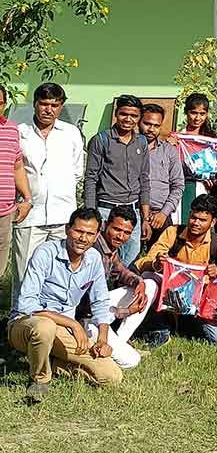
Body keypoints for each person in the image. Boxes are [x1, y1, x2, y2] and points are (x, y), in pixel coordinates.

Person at [9, 208, 122, 401]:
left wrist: (102, 340)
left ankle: (52, 363)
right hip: (27, 324)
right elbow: (27, 305)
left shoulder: (94, 258)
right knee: (45, 327)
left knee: (111, 376)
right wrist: (73, 324)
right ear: (67, 230)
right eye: (78, 231)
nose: (83, 238)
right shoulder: (46, 253)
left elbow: (101, 302)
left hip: (64, 331)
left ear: (96, 236)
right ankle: (39, 380)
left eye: (89, 234)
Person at [135, 194, 217, 346]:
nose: (196, 223)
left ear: (213, 222)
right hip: (170, 296)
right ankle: (161, 326)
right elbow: (143, 263)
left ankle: (186, 325)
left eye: (202, 220)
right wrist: (157, 264)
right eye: (193, 217)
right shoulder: (172, 233)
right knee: (149, 277)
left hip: (201, 302)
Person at [14, 83, 82, 301]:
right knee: (25, 273)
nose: (48, 109)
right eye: (44, 104)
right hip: (29, 216)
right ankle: (20, 317)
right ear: (34, 104)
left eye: (54, 105)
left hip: (62, 216)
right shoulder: (20, 132)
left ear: (61, 107)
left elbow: (77, 171)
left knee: (58, 274)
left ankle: (51, 317)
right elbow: (13, 170)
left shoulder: (71, 133)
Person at [83, 205, 159, 369]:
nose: (120, 236)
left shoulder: (109, 249)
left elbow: (121, 271)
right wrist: (127, 311)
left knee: (149, 285)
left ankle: (119, 341)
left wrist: (138, 283)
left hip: (99, 309)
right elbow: (90, 307)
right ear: (105, 225)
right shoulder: (93, 251)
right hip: (86, 317)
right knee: (131, 360)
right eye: (116, 229)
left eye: (126, 233)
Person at [84, 94, 150, 265]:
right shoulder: (101, 140)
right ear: (116, 113)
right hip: (106, 210)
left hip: (133, 212)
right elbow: (90, 178)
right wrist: (91, 215)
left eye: (134, 115)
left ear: (139, 118)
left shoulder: (142, 142)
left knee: (131, 258)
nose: (128, 119)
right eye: (123, 114)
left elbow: (144, 179)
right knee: (102, 260)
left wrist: (145, 218)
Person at [1, 85, 33, 283]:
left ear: (4, 104)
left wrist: (27, 199)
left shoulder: (11, 129)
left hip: (4, 213)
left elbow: (17, 166)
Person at [140, 104, 183, 242]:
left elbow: (178, 186)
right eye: (147, 124)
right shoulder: (130, 149)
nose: (151, 129)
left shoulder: (169, 151)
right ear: (139, 122)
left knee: (162, 254)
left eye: (156, 126)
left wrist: (164, 213)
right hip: (134, 214)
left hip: (161, 216)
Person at [174, 94, 217, 224]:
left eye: (202, 114)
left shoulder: (212, 142)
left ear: (207, 114)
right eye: (193, 113)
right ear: (186, 112)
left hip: (202, 190)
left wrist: (213, 180)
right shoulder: (176, 138)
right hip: (179, 189)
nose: (197, 118)